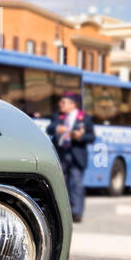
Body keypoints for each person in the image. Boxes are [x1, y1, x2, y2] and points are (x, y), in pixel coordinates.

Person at [46, 92, 94, 223]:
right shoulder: (58, 116)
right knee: (61, 184)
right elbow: (49, 128)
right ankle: (62, 213)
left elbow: (91, 137)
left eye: (63, 102)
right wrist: (57, 128)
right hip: (62, 153)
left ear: (73, 104)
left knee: (77, 184)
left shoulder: (83, 118)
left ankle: (77, 212)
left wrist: (80, 136)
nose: (60, 104)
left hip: (76, 154)